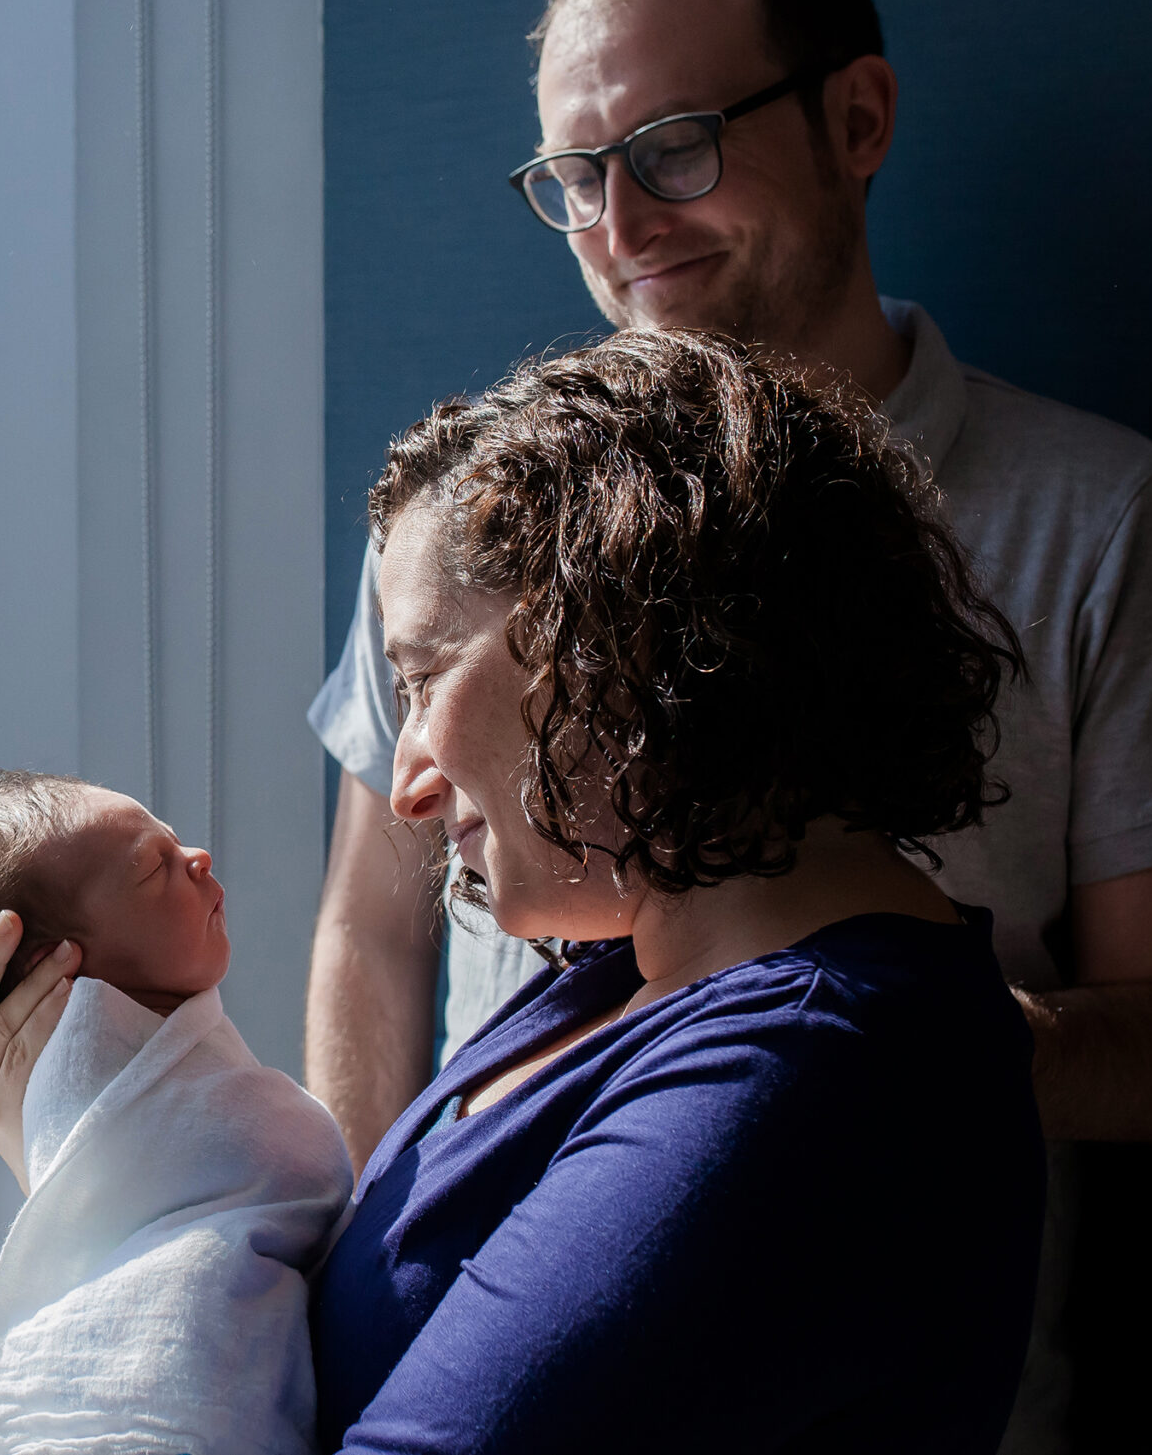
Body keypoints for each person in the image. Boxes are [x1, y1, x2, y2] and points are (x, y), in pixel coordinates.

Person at [303, 0, 1152, 1449]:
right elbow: (373, 935)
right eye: (574, 177)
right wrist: (332, 1300)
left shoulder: (1100, 521)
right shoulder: (478, 523)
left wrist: (811, 1055)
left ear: (857, 120)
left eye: (672, 148)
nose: (620, 225)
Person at [306, 329, 1043, 1449]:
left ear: (614, 630)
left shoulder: (796, 1070)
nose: (405, 784)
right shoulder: (638, 964)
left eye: (423, 677)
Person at [0, 773, 350, 1455]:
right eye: (155, 866)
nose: (198, 856)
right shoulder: (112, 1088)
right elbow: (298, 1159)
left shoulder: (134, 1086)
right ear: (57, 967)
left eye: (174, 841)